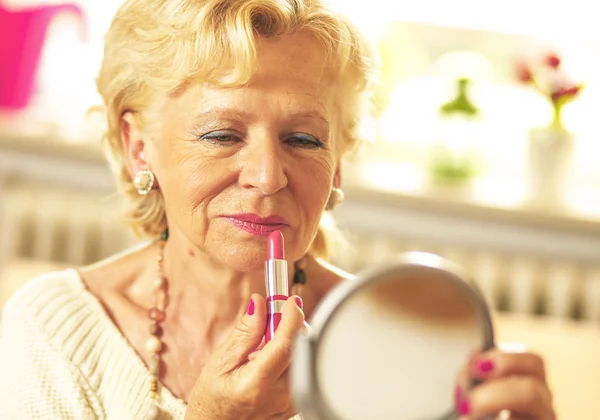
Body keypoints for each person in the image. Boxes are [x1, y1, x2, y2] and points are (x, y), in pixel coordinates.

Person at [0, 0, 556, 419]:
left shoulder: (400, 342)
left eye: (305, 140)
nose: (267, 177)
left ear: (338, 163)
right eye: (221, 134)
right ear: (137, 145)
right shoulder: (49, 334)